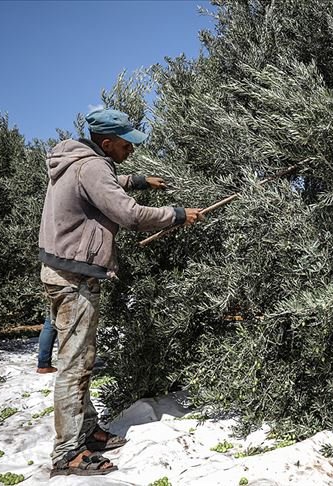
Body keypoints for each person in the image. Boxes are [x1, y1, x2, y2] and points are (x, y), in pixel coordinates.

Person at [38, 108, 202, 477]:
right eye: (127, 143)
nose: (132, 148)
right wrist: (177, 215)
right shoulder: (93, 167)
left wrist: (140, 179)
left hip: (60, 268)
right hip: (73, 277)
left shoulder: (80, 160)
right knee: (75, 365)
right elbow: (127, 214)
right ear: (107, 142)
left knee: (80, 357)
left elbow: (106, 182)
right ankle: (68, 454)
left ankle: (87, 430)